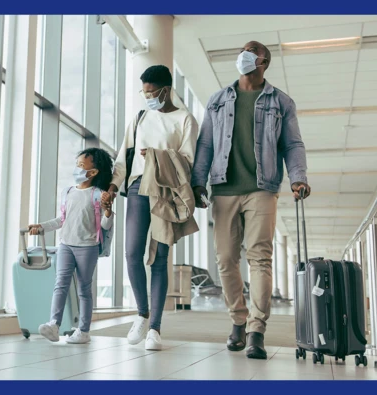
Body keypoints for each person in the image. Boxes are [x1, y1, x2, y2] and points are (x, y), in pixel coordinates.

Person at [191, 41, 311, 359]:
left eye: (250, 54)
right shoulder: (218, 100)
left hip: (262, 187)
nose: (242, 57)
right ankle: (238, 321)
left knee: (259, 257)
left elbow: (293, 144)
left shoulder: (280, 102)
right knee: (226, 259)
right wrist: (196, 183)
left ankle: (256, 329)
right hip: (224, 189)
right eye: (241, 52)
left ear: (263, 63)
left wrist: (298, 177)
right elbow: (205, 144)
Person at [108, 65, 199, 351]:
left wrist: (158, 156)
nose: (147, 96)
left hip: (165, 191)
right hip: (137, 187)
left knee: (159, 258)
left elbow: (188, 161)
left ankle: (155, 329)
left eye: (151, 92)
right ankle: (142, 314)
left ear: (166, 90)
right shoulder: (140, 117)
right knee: (132, 253)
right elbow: (123, 157)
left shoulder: (185, 120)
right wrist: (112, 186)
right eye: (144, 92)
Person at [29, 148, 115, 344]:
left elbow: (105, 226)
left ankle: (83, 331)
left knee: (84, 289)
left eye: (81, 166)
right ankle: (54, 324)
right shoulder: (68, 192)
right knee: (60, 284)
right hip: (65, 245)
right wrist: (41, 226)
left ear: (93, 172)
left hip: (88, 247)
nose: (77, 169)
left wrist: (108, 212)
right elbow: (62, 220)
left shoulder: (98, 195)